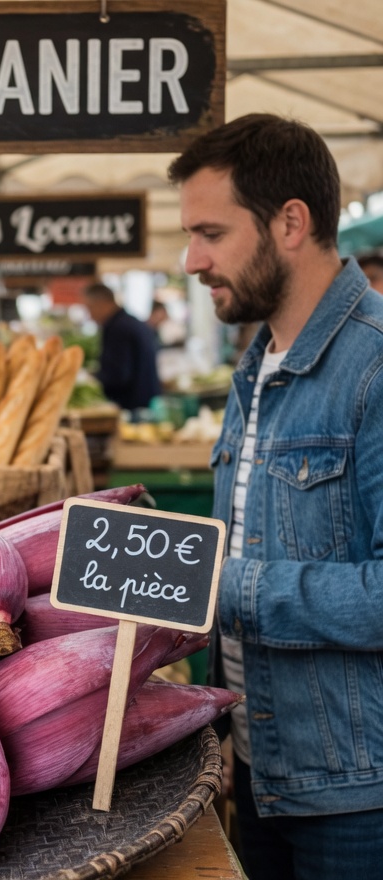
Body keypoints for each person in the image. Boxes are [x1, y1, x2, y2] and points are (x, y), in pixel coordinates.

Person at [169, 113, 383, 880]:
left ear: (291, 222)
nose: (191, 259)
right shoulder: (258, 367)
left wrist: (223, 587)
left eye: (211, 233)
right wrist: (220, 726)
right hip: (262, 778)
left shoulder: (375, 369)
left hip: (357, 798)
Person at [81, 282, 162, 413]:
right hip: (147, 403)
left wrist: (91, 379)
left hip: (132, 408)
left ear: (102, 303)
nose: (90, 316)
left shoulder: (118, 329)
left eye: (89, 308)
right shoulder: (131, 322)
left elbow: (118, 376)